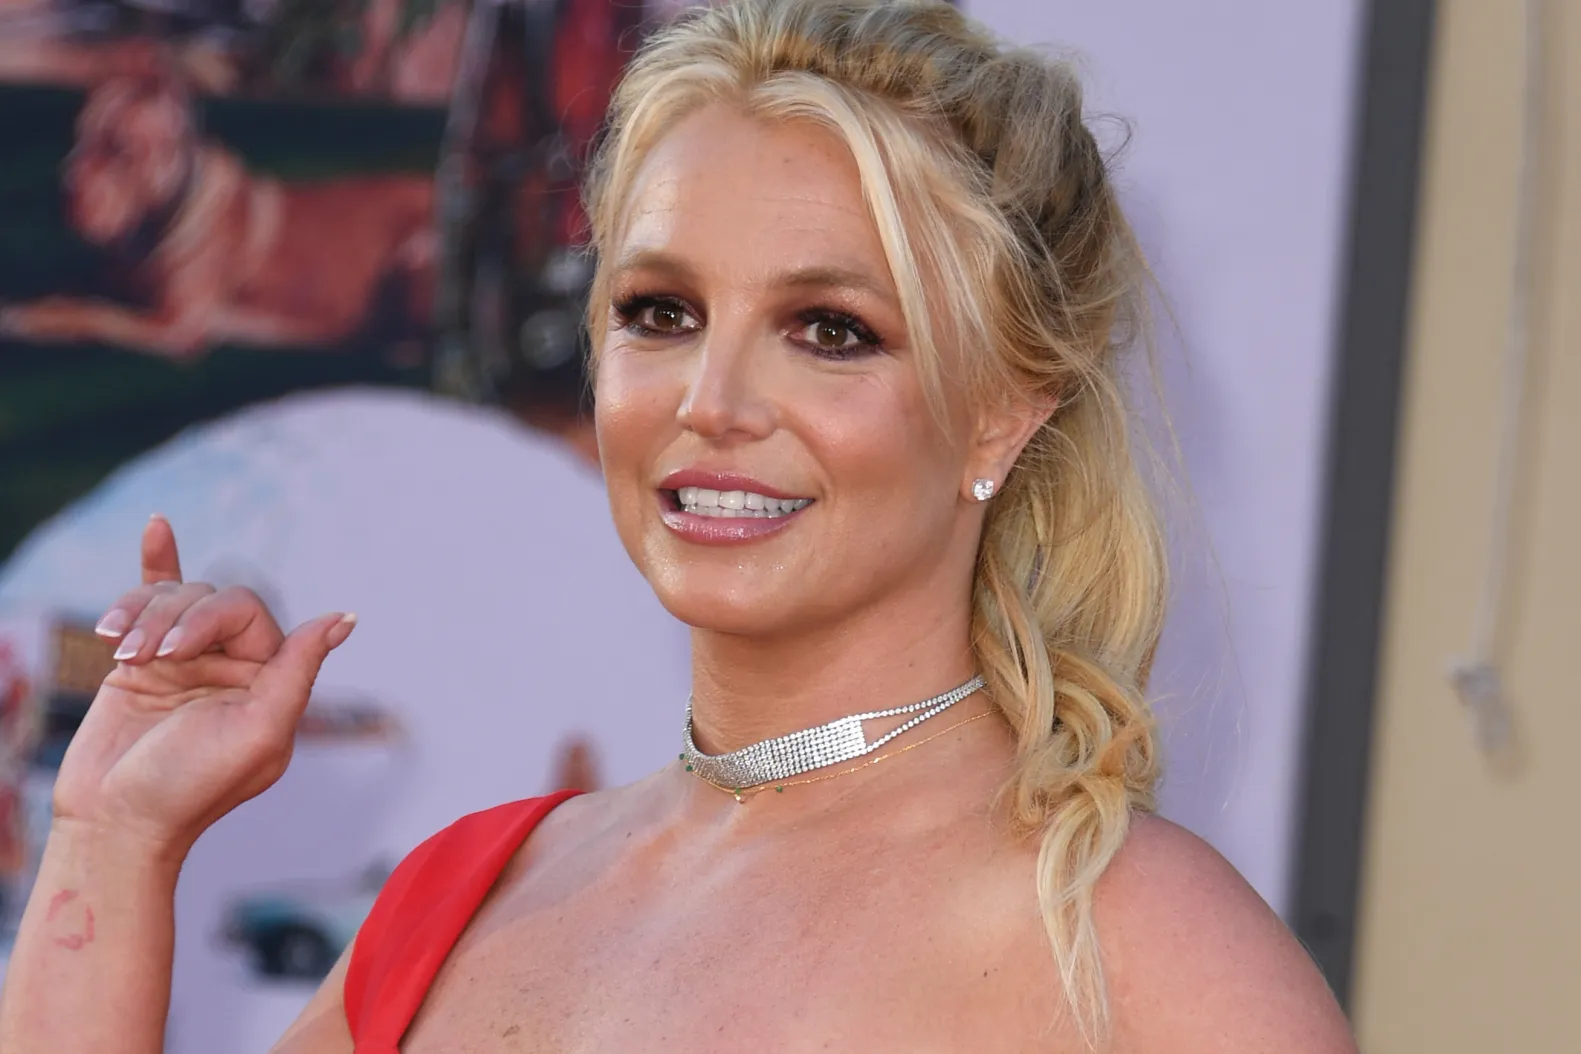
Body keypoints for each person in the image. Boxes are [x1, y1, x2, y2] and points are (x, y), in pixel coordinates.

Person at [0, 0, 1359, 1050]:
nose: (711, 402)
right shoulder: (462, 894)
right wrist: (114, 837)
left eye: (830, 330)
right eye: (661, 313)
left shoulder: (1139, 951)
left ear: (1001, 414)